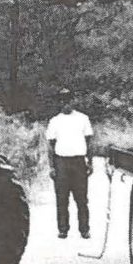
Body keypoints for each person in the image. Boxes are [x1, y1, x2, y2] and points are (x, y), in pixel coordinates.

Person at [45, 88, 94, 239]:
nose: (66, 104)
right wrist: (52, 167)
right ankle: (63, 229)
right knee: (62, 198)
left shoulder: (83, 119)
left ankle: (84, 229)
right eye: (63, 101)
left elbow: (89, 142)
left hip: (78, 162)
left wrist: (90, 162)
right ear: (59, 103)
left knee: (81, 199)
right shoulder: (55, 121)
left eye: (68, 100)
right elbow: (50, 146)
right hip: (62, 163)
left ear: (73, 101)